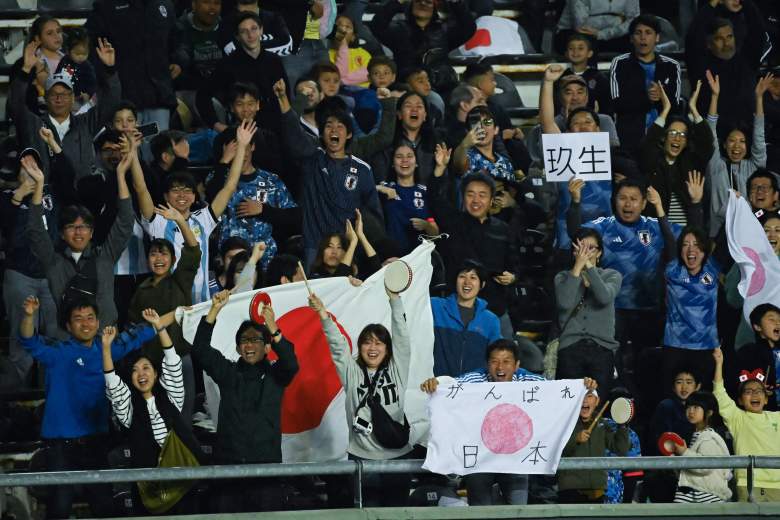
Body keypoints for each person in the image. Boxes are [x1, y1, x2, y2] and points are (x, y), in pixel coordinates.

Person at [19, 295, 160, 519]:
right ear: (68, 325)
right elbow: (28, 339)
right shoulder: (58, 351)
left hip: (96, 443)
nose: (86, 323)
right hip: (60, 447)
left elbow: (151, 328)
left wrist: (188, 310)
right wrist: (28, 315)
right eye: (78, 319)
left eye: (90, 318)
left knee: (104, 506)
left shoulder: (107, 349)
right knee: (60, 507)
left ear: (97, 322)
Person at [191, 290, 299, 512]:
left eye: (255, 340)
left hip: (266, 471)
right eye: (244, 340)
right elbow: (200, 350)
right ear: (238, 347)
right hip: (228, 470)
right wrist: (214, 310)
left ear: (267, 346)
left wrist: (273, 328)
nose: (249, 345)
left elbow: (291, 363)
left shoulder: (276, 375)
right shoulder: (228, 373)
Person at [309, 287, 412, 506]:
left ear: (387, 348)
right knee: (366, 514)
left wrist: (394, 299)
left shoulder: (397, 369)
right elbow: (337, 346)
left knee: (398, 514)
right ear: (360, 346)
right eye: (367, 342)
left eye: (379, 342)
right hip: (362, 459)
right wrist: (322, 315)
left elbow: (402, 335)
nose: (372, 347)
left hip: (397, 458)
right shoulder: (351, 372)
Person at [420, 340, 551, 505]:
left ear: (517, 365)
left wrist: (584, 388)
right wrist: (436, 383)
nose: (500, 367)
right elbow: (450, 385)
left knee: (518, 511)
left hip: (516, 459)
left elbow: (559, 391)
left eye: (506, 361)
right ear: (487, 364)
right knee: (480, 512)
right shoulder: (477, 379)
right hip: (481, 460)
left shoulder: (529, 382)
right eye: (494, 361)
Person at [26, 136, 134, 332]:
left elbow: (125, 221)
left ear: (92, 232)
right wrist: (39, 184)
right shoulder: (53, 262)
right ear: (61, 233)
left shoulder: (105, 257)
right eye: (71, 227)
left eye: (83, 226)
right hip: (67, 345)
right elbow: (35, 230)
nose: (78, 232)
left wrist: (120, 176)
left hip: (104, 344)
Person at [102, 309, 204, 514]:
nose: (141, 374)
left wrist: (159, 326)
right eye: (135, 370)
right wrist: (105, 348)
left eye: (146, 368)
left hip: (183, 484)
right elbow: (113, 383)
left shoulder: (171, 397)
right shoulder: (129, 409)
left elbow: (173, 362)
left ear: (156, 374)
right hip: (150, 491)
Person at [142, 120, 256, 303]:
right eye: (176, 190)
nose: (182, 195)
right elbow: (141, 189)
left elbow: (229, 187)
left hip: (200, 305)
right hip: (168, 304)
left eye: (187, 190)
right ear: (165, 196)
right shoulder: (158, 220)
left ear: (195, 197)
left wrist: (242, 146)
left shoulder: (203, 219)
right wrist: (133, 154)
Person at [275, 79, 384, 267]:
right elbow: (292, 132)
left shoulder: (362, 170)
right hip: (314, 247)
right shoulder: (312, 159)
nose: (334, 130)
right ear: (322, 134)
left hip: (347, 248)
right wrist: (283, 97)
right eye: (328, 126)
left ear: (349, 134)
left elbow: (374, 215)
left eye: (340, 126)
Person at [2, 141, 75, 385]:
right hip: (21, 274)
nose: (31, 168)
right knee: (21, 337)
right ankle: (17, 404)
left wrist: (54, 146)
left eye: (35, 163)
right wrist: (20, 193)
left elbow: (68, 175)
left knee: (56, 334)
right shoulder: (7, 197)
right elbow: (4, 225)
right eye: (25, 164)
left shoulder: (53, 193)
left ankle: (50, 393)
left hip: (51, 276)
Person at [127, 204, 201, 424]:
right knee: (155, 419)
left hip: (180, 359)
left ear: (173, 260)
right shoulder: (140, 291)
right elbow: (134, 330)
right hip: (151, 365)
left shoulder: (180, 281)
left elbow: (193, 249)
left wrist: (179, 220)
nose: (158, 258)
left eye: (164, 253)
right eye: (153, 253)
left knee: (183, 419)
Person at [9, 37, 120, 182]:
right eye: (54, 94)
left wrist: (110, 70)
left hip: (81, 198)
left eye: (65, 94)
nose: (59, 98)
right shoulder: (33, 124)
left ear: (73, 98)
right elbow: (15, 105)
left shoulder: (85, 123)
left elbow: (111, 103)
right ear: (46, 97)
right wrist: (25, 70)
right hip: (44, 198)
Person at [429, 168, 519, 338]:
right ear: (463, 197)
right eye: (470, 194)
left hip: (495, 308)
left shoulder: (503, 229)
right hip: (459, 309)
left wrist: (513, 277)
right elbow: (435, 201)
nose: (476, 200)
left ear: (492, 200)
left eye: (482, 195)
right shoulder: (452, 223)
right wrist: (439, 172)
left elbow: (514, 263)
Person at [206, 124, 298, 269]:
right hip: (228, 263)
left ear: (253, 146)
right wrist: (223, 162)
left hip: (264, 261)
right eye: (235, 149)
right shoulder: (217, 176)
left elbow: (294, 217)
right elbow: (210, 200)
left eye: (244, 147)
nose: (240, 154)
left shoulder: (271, 180)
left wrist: (264, 210)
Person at [86, 0, 176, 132]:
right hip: (124, 97)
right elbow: (93, 47)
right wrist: (108, 75)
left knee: (158, 148)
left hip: (159, 96)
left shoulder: (164, 4)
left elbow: (177, 39)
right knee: (127, 148)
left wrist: (178, 60)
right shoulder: (106, 6)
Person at [686, 2, 771, 137]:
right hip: (711, 138)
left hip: (744, 138)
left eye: (729, 37)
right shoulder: (700, 65)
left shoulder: (747, 61)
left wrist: (745, 2)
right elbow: (693, 37)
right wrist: (712, 3)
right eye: (719, 38)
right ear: (708, 44)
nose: (726, 43)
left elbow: (757, 31)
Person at [554, 227, 622, 396]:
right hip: (570, 348)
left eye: (591, 248)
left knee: (598, 402)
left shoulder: (612, 275)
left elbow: (604, 297)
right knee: (569, 404)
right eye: (581, 247)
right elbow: (564, 303)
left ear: (600, 253)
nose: (586, 252)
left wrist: (589, 267)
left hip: (602, 348)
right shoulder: (562, 277)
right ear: (574, 251)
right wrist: (577, 268)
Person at [196, 12, 290, 134]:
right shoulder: (227, 64)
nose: (250, 35)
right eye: (244, 31)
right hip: (243, 133)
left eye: (254, 29)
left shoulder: (274, 61)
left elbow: (286, 96)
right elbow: (202, 96)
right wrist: (217, 126)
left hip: (276, 130)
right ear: (237, 36)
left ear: (261, 30)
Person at [637, 80, 712, 225]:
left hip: (686, 234)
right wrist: (665, 110)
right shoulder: (653, 162)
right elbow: (647, 145)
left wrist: (693, 109)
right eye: (672, 132)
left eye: (682, 135)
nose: (677, 138)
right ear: (664, 137)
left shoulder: (691, 163)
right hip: (657, 230)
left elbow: (707, 144)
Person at [708, 71, 772, 235]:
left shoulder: (753, 168)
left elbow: (759, 136)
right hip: (719, 236)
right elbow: (710, 132)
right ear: (724, 144)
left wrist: (758, 98)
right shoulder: (716, 165)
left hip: (748, 235)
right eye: (732, 140)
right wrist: (715, 97)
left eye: (742, 141)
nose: (737, 146)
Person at [713, 347, 780, 502]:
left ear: (766, 398)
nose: (754, 394)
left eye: (758, 391)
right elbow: (719, 394)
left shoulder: (777, 417)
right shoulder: (738, 418)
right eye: (748, 391)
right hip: (750, 484)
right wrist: (719, 363)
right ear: (740, 400)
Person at [609, 14, 683, 156]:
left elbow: (676, 107)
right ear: (631, 38)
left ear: (657, 38)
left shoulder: (672, 66)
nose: (643, 37)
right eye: (638, 33)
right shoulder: (620, 63)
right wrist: (646, 98)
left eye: (648, 33)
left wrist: (662, 97)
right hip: (629, 141)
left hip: (663, 140)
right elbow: (616, 104)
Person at [371, 0, 476, 94]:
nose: (423, 4)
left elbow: (468, 27)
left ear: (434, 9)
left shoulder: (445, 30)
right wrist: (397, 2)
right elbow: (377, 26)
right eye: (418, 1)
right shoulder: (398, 29)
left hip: (443, 86)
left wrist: (455, 2)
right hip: (408, 87)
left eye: (428, 2)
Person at [661, 225, 719, 391]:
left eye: (696, 244)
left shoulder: (713, 268)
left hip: (706, 347)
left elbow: (726, 237)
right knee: (671, 397)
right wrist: (659, 208)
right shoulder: (673, 270)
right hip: (675, 345)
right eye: (686, 244)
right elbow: (668, 238)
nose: (691, 249)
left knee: (704, 400)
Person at [431, 260, 502, 377]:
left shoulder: (491, 320)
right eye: (462, 276)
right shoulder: (435, 307)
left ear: (482, 284)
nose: (467, 282)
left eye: (473, 278)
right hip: (438, 386)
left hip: (473, 389)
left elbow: (497, 357)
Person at [559, 387, 630, 503]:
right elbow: (555, 452)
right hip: (571, 489)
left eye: (589, 396)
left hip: (597, 490)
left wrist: (622, 425)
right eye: (581, 396)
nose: (584, 400)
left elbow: (620, 449)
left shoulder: (602, 423)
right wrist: (575, 439)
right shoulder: (566, 422)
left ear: (597, 401)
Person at [725, 209, 780, 350]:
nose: (772, 234)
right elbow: (733, 300)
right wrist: (743, 266)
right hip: (749, 340)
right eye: (766, 230)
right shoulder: (747, 260)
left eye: (778, 230)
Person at [378, 142, 441, 254]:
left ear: (416, 163)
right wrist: (378, 188)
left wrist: (426, 225)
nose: (404, 160)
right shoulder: (385, 188)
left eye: (409, 156)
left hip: (418, 258)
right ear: (392, 163)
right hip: (391, 257)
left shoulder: (424, 192)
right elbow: (361, 194)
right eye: (399, 156)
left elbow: (435, 234)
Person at [671, 391, 732, 503]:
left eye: (696, 407)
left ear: (709, 412)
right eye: (688, 407)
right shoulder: (697, 435)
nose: (691, 411)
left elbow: (705, 465)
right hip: (695, 492)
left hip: (704, 495)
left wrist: (684, 452)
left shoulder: (708, 437)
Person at [733, 303, 780, 410]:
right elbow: (739, 380)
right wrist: (757, 387)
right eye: (772, 320)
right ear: (757, 326)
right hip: (765, 412)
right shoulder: (748, 352)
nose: (778, 323)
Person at [452, 106, 516, 182]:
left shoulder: (506, 162)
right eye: (476, 123)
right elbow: (459, 165)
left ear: (496, 130)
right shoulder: (468, 157)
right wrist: (465, 144)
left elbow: (513, 189)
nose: (482, 127)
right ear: (468, 132)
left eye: (487, 122)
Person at [309, 210, 380, 280]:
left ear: (346, 253)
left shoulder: (354, 274)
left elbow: (378, 273)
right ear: (322, 251)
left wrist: (361, 235)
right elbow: (338, 282)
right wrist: (353, 242)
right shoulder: (315, 277)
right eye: (330, 246)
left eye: (339, 247)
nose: (334, 251)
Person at [554, 0, 639, 54]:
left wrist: (602, 34)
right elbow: (581, 25)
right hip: (574, 33)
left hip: (610, 36)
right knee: (587, 43)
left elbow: (633, 21)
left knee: (635, 40)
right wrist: (617, 20)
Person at [561, 33, 611, 115]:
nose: (575, 51)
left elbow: (607, 107)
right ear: (566, 53)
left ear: (589, 53)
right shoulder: (561, 77)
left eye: (580, 48)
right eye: (571, 48)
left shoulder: (599, 77)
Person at [329, 14, 372, 87]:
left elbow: (370, 72)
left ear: (353, 37)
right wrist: (343, 45)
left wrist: (343, 81)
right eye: (339, 25)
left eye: (348, 27)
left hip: (362, 92)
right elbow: (339, 74)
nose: (343, 29)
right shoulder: (326, 54)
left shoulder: (363, 53)